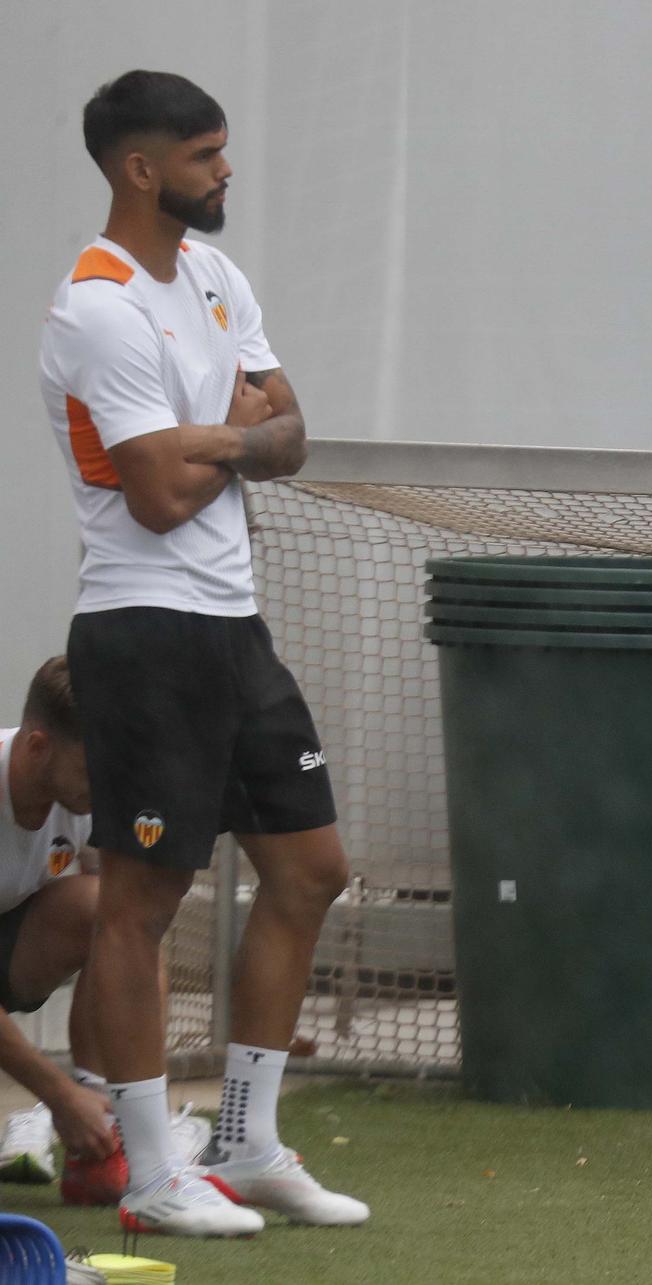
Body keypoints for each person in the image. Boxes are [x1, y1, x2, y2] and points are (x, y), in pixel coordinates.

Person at [38, 70, 366, 1236]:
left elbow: (294, 431)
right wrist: (241, 435)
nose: (227, 171)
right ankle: (149, 1170)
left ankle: (247, 1138)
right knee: (141, 900)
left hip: (234, 627)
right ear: (141, 169)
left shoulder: (218, 277)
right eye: (205, 156)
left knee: (311, 867)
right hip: (143, 631)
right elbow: (162, 499)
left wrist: (217, 437)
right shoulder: (97, 304)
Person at [0, 658, 209, 1203]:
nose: (107, 786)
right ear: (38, 747)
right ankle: (56, 1112)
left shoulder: (83, 795)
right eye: (94, 770)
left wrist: (91, 1096)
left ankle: (111, 1137)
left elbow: (126, 934)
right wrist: (56, 1093)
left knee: (119, 915)